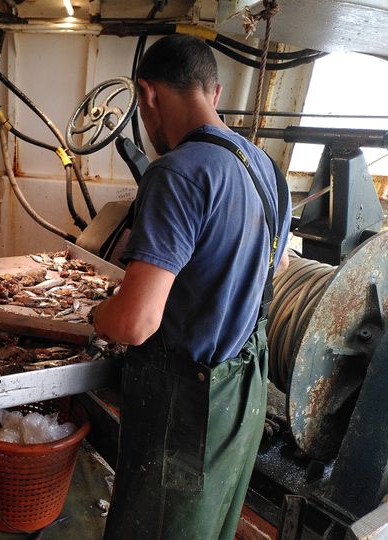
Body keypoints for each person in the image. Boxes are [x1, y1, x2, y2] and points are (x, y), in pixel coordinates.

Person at [92, 34, 291, 540]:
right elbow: (266, 264)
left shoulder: (177, 172)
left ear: (147, 95)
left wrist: (97, 314)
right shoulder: (266, 168)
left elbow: (135, 324)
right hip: (241, 394)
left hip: (185, 410)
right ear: (215, 92)